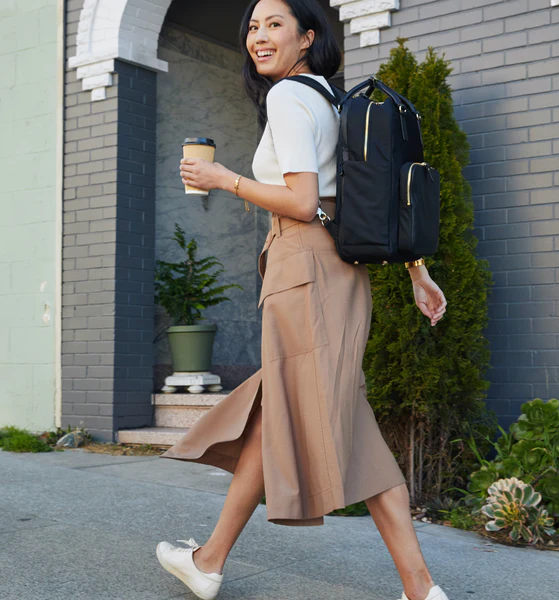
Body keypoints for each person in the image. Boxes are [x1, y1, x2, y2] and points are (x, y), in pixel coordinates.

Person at [155, 1, 449, 599]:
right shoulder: (332, 99)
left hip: (304, 269)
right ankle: (209, 561)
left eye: (274, 25)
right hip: (335, 274)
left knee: (321, 417)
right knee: (280, 415)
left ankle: (418, 588)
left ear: (307, 37)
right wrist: (416, 269)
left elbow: (301, 201)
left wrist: (225, 179)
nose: (258, 37)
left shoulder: (289, 99)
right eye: (253, 28)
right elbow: (366, 198)